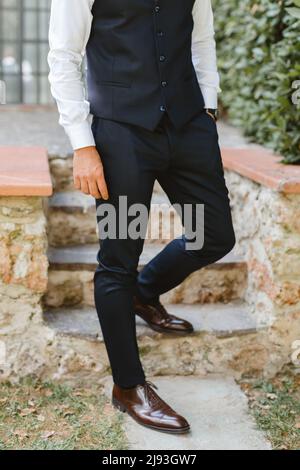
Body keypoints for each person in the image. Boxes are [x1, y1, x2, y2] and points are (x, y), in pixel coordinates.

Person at [48, 0, 235, 434]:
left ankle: (144, 291)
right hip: (121, 136)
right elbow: (63, 55)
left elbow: (200, 37)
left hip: (189, 128)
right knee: (118, 260)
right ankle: (128, 387)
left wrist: (207, 107)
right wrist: (82, 145)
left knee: (214, 234)